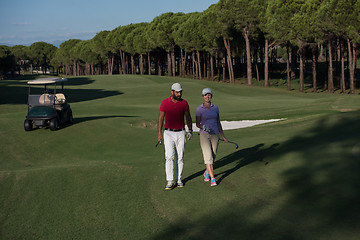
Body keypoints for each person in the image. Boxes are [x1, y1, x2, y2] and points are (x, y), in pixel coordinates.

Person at [158, 83, 193, 190]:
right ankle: (169, 181)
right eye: (177, 92)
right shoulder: (165, 103)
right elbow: (161, 118)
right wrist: (159, 133)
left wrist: (190, 130)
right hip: (168, 133)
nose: (179, 94)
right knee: (169, 157)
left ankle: (179, 179)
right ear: (172, 92)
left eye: (180, 92)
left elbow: (188, 117)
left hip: (181, 133)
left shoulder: (184, 103)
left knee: (180, 157)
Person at [196, 88, 228, 186]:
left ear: (211, 96)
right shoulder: (199, 109)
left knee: (213, 156)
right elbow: (197, 124)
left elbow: (218, 122)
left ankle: (206, 172)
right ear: (203, 96)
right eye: (205, 95)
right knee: (208, 157)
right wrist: (203, 126)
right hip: (204, 135)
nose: (207, 96)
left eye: (209, 95)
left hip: (215, 134)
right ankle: (213, 178)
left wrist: (223, 136)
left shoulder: (215, 108)